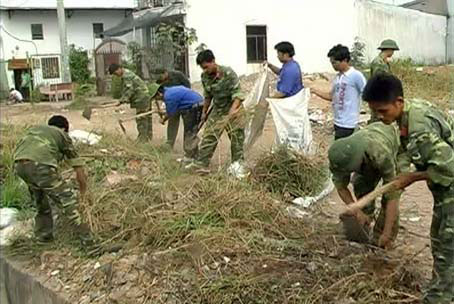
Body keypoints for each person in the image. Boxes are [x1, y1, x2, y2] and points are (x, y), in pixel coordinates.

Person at [362, 73, 454, 304]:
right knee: (439, 240)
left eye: (383, 111)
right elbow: (404, 156)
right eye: (374, 112)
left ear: (399, 102)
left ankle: (440, 297)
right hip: (444, 192)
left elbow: (450, 168)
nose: (379, 117)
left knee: (447, 246)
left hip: (450, 188)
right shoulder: (408, 115)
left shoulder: (419, 129)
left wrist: (413, 177)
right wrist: (398, 180)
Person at [14, 115, 92, 244]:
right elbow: (78, 169)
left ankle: (43, 237)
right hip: (40, 166)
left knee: (40, 202)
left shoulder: (35, 130)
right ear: (64, 129)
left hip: (19, 166)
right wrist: (84, 192)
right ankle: (90, 243)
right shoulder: (62, 134)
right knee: (67, 201)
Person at [328, 122, 401, 248]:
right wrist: (357, 212)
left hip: (395, 149)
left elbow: (392, 193)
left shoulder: (380, 152)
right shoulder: (338, 156)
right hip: (367, 156)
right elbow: (341, 187)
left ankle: (384, 238)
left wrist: (387, 232)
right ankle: (366, 221)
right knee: (361, 186)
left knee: (387, 199)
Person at [185, 49, 246, 176]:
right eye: (203, 68)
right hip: (218, 110)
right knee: (209, 136)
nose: (205, 71)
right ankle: (202, 163)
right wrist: (204, 112)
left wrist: (232, 112)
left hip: (234, 108)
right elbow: (208, 96)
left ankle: (237, 164)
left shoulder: (228, 73)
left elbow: (238, 95)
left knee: (236, 138)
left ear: (213, 61)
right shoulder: (205, 77)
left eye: (206, 67)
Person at [312, 44, 367, 140]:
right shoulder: (337, 78)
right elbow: (331, 96)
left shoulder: (356, 76)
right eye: (331, 63)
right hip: (337, 122)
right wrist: (315, 91)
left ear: (345, 60)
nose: (333, 66)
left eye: (335, 63)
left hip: (349, 123)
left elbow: (367, 92)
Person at [149, 83, 203, 162]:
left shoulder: (169, 97)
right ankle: (194, 154)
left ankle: (190, 156)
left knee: (189, 132)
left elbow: (171, 113)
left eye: (157, 98)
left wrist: (163, 119)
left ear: (159, 93)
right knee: (190, 131)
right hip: (194, 105)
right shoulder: (170, 91)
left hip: (194, 107)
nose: (158, 100)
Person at [108, 64, 152, 142]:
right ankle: (148, 137)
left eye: (115, 73)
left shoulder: (126, 76)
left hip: (141, 98)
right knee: (146, 117)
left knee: (141, 118)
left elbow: (129, 90)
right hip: (144, 96)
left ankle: (142, 139)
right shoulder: (127, 74)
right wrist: (122, 100)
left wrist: (122, 100)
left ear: (119, 69)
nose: (116, 75)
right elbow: (128, 90)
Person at [154, 68, 191, 150]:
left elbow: (188, 86)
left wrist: (184, 97)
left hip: (184, 101)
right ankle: (170, 144)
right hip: (172, 102)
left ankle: (188, 148)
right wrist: (162, 108)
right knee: (172, 121)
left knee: (188, 124)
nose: (161, 80)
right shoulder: (159, 81)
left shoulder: (178, 75)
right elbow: (158, 95)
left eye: (161, 76)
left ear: (165, 72)